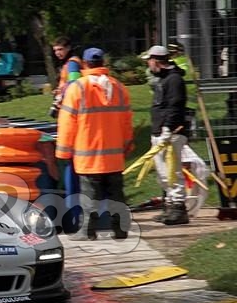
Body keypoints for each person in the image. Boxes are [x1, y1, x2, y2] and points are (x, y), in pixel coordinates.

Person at [55, 47, 133, 240]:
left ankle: (87, 231)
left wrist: (63, 152)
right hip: (114, 157)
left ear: (85, 63)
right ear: (103, 62)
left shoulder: (78, 88)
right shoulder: (118, 88)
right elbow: (126, 121)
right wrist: (127, 145)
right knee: (116, 195)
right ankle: (120, 230)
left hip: (88, 156)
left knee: (90, 196)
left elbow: (67, 123)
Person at [143, 45, 190, 225]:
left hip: (171, 133)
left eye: (149, 61)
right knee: (163, 173)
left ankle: (178, 208)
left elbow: (175, 106)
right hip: (160, 132)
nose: (148, 65)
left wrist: (168, 128)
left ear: (156, 61)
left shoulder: (174, 80)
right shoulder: (163, 79)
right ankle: (169, 205)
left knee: (173, 172)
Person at [50, 36, 83, 233]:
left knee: (72, 169)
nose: (58, 53)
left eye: (60, 49)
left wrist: (59, 99)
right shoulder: (69, 64)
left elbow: (73, 84)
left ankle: (74, 217)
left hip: (71, 118)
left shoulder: (72, 64)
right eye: (55, 50)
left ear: (68, 48)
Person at [168, 42, 198, 136]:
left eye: (173, 52)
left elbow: (182, 74)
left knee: (187, 117)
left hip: (187, 95)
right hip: (179, 96)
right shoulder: (175, 61)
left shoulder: (183, 62)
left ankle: (189, 133)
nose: (171, 54)